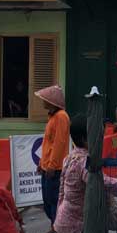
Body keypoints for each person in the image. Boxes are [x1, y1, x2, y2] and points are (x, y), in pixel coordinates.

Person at [36, 85, 69, 225]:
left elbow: (59, 144)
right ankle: (54, 226)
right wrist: (41, 163)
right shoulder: (53, 117)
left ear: (52, 101)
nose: (43, 101)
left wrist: (52, 165)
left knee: (53, 199)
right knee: (47, 200)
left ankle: (56, 228)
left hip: (54, 168)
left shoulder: (61, 117)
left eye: (45, 99)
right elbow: (48, 144)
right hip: (47, 166)